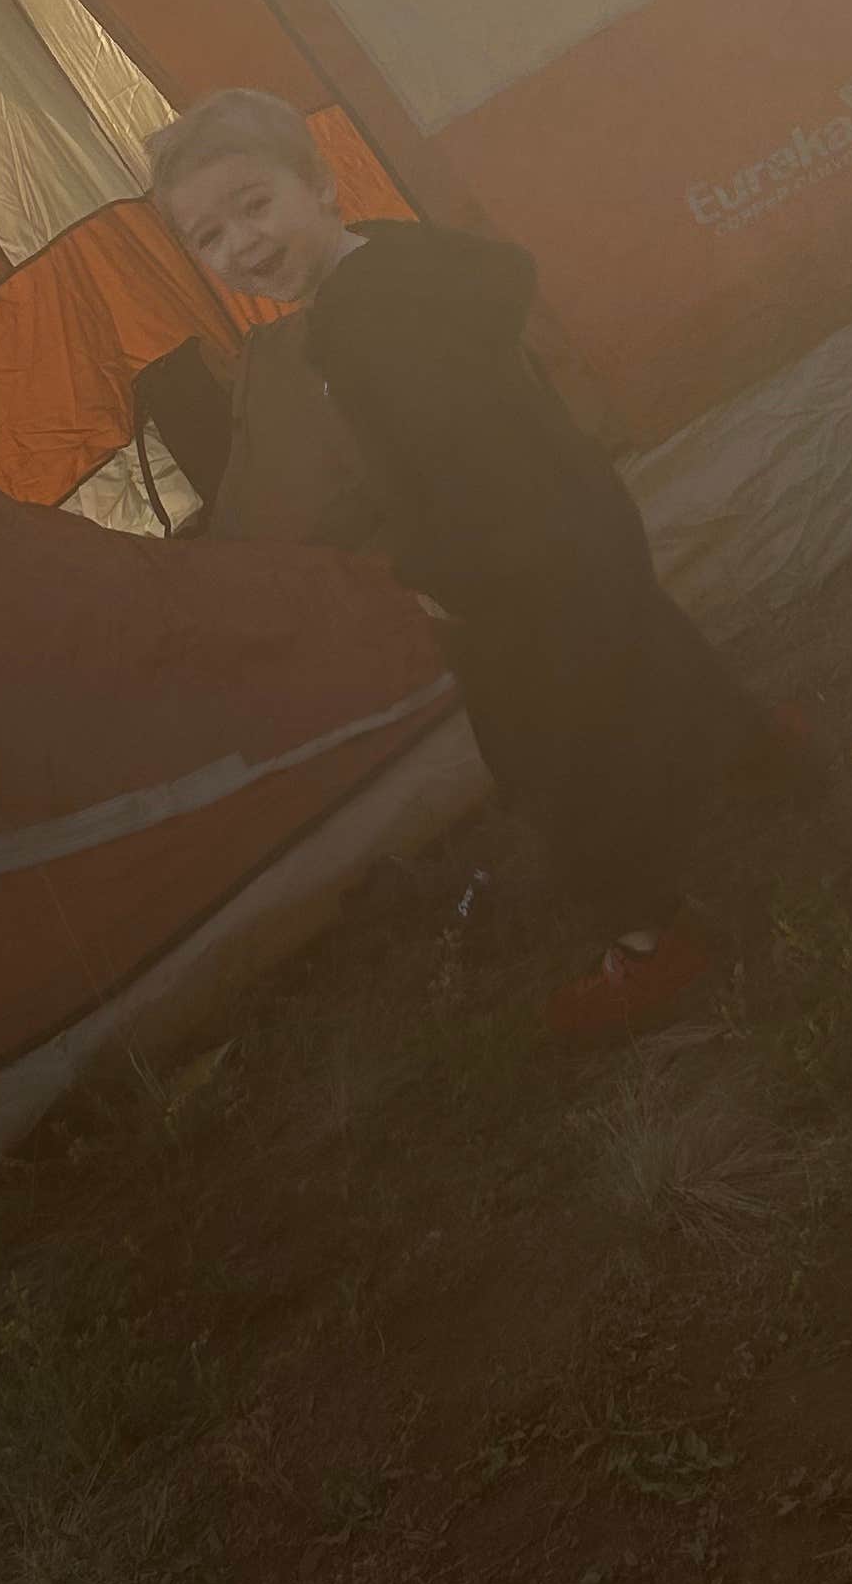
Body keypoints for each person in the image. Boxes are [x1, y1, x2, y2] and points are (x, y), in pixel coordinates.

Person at [148, 88, 789, 1021]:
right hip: (580, 511)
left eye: (255, 204)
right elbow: (505, 279)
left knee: (549, 757)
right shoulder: (400, 257)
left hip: (512, 563)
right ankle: (763, 759)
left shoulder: (360, 329)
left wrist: (441, 583)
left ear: (320, 185)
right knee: (643, 634)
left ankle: (649, 940)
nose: (242, 243)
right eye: (210, 236)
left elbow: (443, 468)